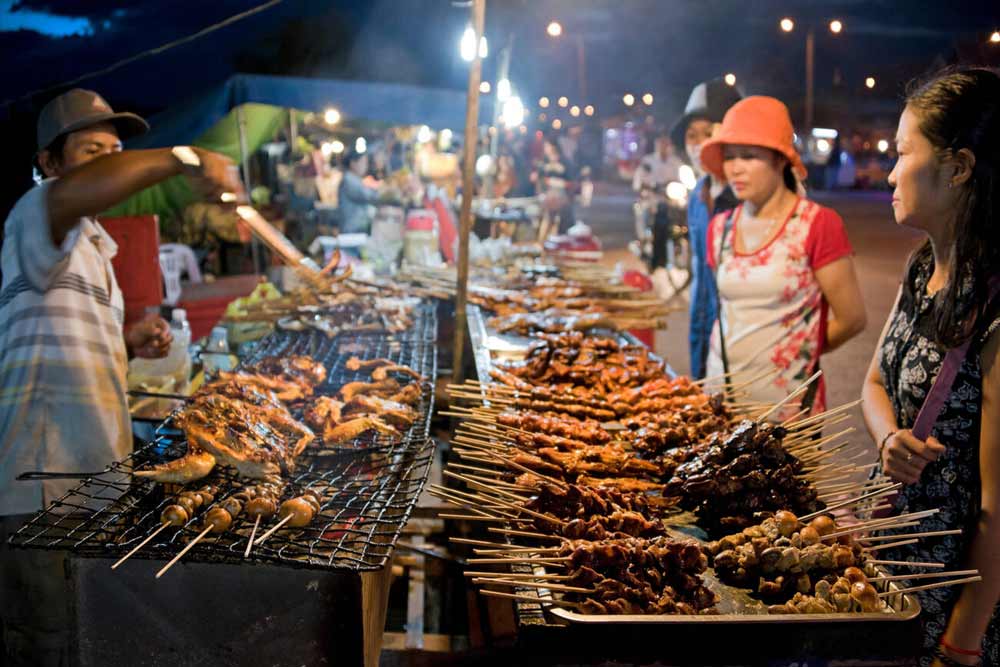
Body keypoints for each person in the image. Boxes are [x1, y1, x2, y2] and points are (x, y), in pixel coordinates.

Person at [0, 88, 241, 666]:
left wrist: (127, 343)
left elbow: (66, 349)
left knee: (97, 642)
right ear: (49, 164)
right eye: (92, 151)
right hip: (43, 492)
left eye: (115, 150)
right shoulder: (34, 217)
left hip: (96, 481)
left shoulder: (93, 248)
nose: (109, 161)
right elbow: (69, 198)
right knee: (52, 646)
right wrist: (188, 157)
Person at [860, 68, 1000, 667]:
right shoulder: (922, 269)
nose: (890, 174)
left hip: (952, 594)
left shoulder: (994, 308)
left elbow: (999, 510)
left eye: (902, 154)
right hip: (891, 566)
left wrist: (961, 643)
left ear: (959, 167)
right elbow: (872, 382)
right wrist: (888, 436)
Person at [699, 96, 866, 416]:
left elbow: (852, 318)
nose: (735, 168)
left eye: (748, 156)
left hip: (788, 410)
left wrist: (796, 351)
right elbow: (725, 311)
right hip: (722, 403)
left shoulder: (816, 224)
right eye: (729, 157)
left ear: (780, 159)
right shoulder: (720, 227)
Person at [671, 78, 743, 378]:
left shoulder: (748, 195)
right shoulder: (698, 195)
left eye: (709, 132)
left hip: (741, 345)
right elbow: (699, 275)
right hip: (702, 336)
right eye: (691, 136)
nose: (699, 143)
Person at [532, 136, 575, 240]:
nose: (546, 148)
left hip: (561, 197)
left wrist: (555, 182)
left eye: (547, 146)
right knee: (546, 219)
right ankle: (542, 244)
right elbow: (537, 177)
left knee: (558, 221)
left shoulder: (564, 162)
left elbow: (571, 182)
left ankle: (554, 243)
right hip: (546, 196)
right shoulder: (544, 161)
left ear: (554, 146)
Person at [337, 149, 380, 234]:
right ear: (353, 163)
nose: (366, 166)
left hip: (356, 229)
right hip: (351, 230)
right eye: (363, 162)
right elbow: (367, 195)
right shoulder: (349, 180)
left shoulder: (355, 179)